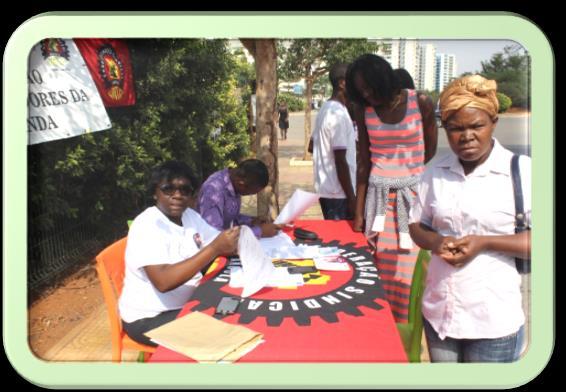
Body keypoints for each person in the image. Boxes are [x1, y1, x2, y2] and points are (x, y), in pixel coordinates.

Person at [408, 75, 530, 362]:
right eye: (455, 128)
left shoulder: (523, 171)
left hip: (492, 321)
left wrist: (484, 242)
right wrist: (437, 241)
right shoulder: (433, 172)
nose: (466, 136)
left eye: (477, 125)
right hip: (440, 315)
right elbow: (416, 225)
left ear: (493, 122)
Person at [345, 53, 437, 323]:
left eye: (370, 86)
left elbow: (428, 151)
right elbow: (364, 161)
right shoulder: (363, 109)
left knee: (410, 269)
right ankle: (381, 327)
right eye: (360, 90)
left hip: (414, 199)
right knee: (381, 265)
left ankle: (407, 329)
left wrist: (407, 178)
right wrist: (359, 212)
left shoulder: (420, 103)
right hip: (379, 200)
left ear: (384, 78)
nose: (367, 93)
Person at [119, 160, 240, 346]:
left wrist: (239, 241)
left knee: (238, 307)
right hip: (150, 318)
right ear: (155, 192)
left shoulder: (189, 216)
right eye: (168, 189)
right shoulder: (147, 225)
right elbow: (163, 282)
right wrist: (215, 248)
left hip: (186, 303)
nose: (177, 195)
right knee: (226, 331)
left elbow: (220, 241)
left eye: (185, 190)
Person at [309, 62, 357, 220]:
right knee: (342, 242)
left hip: (328, 190)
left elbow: (311, 146)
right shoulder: (337, 114)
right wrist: (352, 198)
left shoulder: (326, 108)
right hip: (339, 194)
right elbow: (340, 161)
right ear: (343, 83)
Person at [197, 158, 283, 238]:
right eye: (251, 192)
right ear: (241, 184)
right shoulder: (214, 192)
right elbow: (213, 237)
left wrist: (252, 221)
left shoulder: (234, 181)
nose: (250, 195)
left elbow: (231, 213)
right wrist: (260, 231)